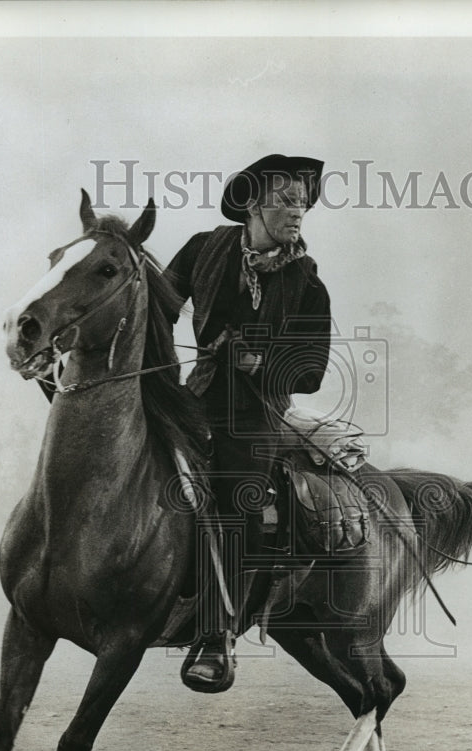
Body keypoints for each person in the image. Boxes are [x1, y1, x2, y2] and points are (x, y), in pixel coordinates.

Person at [165, 153, 332, 692]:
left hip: (255, 417)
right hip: (197, 398)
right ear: (252, 203)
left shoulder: (307, 280)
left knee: (237, 493)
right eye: (287, 199)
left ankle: (216, 634)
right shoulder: (204, 248)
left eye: (304, 202)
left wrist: (264, 362)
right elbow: (159, 308)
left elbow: (312, 370)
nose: (299, 210)